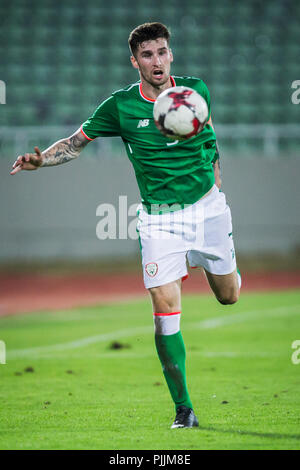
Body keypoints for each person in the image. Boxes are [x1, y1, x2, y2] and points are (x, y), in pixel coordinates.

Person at [11, 22, 241, 429]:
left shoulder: (195, 92)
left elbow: (211, 140)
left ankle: (210, 262)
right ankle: (184, 409)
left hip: (208, 209)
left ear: (171, 54)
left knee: (229, 297)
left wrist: (216, 180)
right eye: (148, 54)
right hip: (158, 219)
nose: (157, 61)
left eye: (163, 52)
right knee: (163, 310)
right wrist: (41, 160)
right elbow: (75, 142)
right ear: (134, 60)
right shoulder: (119, 106)